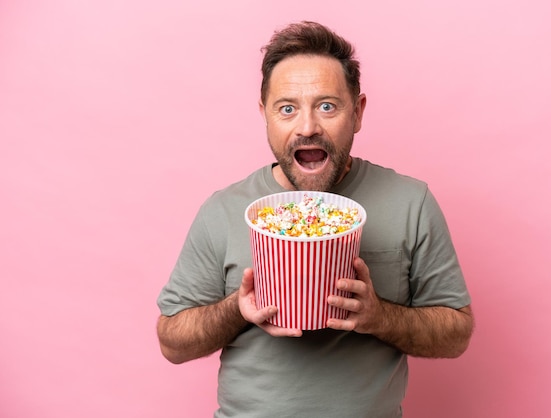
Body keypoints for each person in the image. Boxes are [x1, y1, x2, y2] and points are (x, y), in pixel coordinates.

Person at [157, 21, 474, 417]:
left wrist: (379, 316)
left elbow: (456, 335)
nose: (307, 127)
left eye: (327, 106)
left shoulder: (412, 202)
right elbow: (171, 342)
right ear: (265, 115)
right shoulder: (222, 210)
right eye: (287, 109)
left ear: (357, 113)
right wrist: (237, 308)